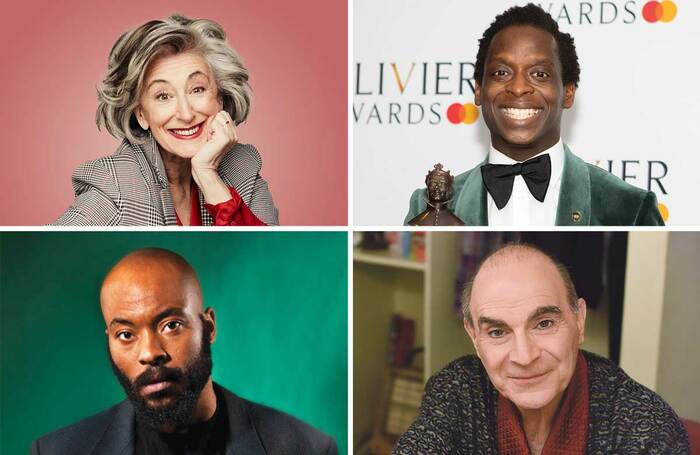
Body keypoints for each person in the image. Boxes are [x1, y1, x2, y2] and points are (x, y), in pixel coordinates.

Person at [31, 248, 336, 454]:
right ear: (109, 341)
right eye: (126, 334)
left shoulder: (306, 448)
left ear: (209, 327)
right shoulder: (56, 451)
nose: (150, 353)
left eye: (171, 325)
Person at [394, 244, 688, 454]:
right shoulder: (457, 388)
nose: (524, 356)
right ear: (474, 338)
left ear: (579, 320)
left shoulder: (645, 425)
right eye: (497, 332)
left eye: (544, 324)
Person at [404, 4, 663, 226]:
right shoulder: (425, 204)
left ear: (568, 92)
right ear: (479, 91)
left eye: (539, 74)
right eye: (501, 73)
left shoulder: (631, 209)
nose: (518, 88)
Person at [53, 15, 278, 226]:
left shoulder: (243, 169)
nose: (186, 114)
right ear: (141, 114)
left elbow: (267, 261)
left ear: (220, 96)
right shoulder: (115, 187)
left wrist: (207, 174)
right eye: (163, 96)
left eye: (197, 89)